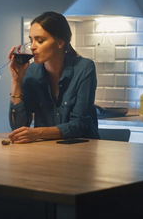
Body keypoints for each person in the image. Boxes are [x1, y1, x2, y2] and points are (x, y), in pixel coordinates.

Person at [8, 11, 99, 143]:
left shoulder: (84, 68)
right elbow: (18, 128)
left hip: (82, 150)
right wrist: (16, 80)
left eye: (40, 41)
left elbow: (79, 125)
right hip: (46, 151)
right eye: (31, 40)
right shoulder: (31, 71)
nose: (32, 47)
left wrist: (37, 133)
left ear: (60, 43)